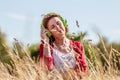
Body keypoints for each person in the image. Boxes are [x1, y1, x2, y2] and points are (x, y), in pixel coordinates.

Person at [40, 12, 87, 79]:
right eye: (53, 27)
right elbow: (46, 70)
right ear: (49, 32)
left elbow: (83, 71)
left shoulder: (78, 46)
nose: (57, 27)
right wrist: (46, 42)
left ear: (64, 23)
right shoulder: (45, 47)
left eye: (58, 23)